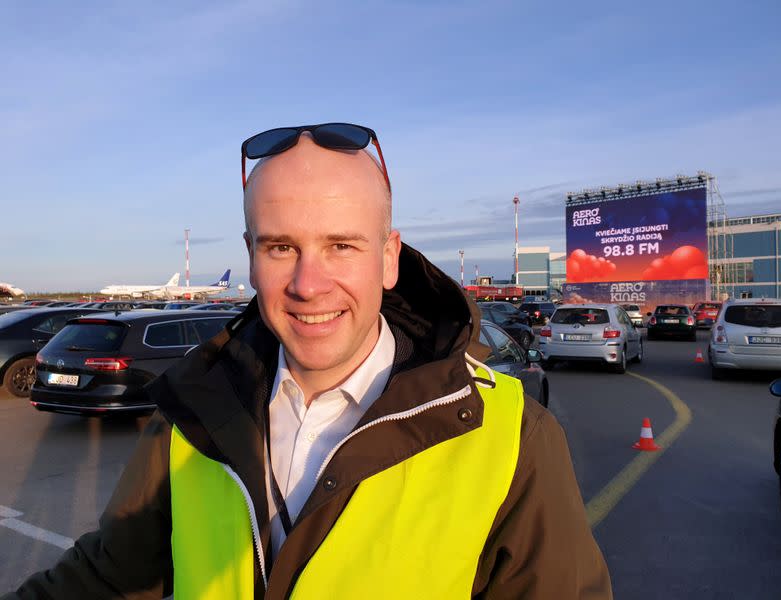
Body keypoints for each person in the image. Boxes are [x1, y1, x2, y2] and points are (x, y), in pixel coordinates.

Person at [6, 124, 612, 599]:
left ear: (389, 257)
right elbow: (112, 576)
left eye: (341, 245)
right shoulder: (192, 413)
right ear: (250, 255)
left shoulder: (510, 437)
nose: (308, 283)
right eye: (281, 247)